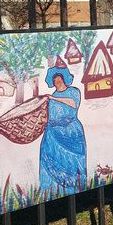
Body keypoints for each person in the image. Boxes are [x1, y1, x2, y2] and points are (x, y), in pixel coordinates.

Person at [40, 56, 86, 196]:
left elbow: (73, 104)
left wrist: (53, 98)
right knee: (49, 158)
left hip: (71, 132)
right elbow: (50, 115)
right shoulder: (53, 96)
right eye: (54, 79)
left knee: (72, 161)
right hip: (53, 133)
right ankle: (51, 191)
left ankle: (75, 189)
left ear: (64, 79)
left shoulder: (73, 91)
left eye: (59, 78)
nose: (57, 81)